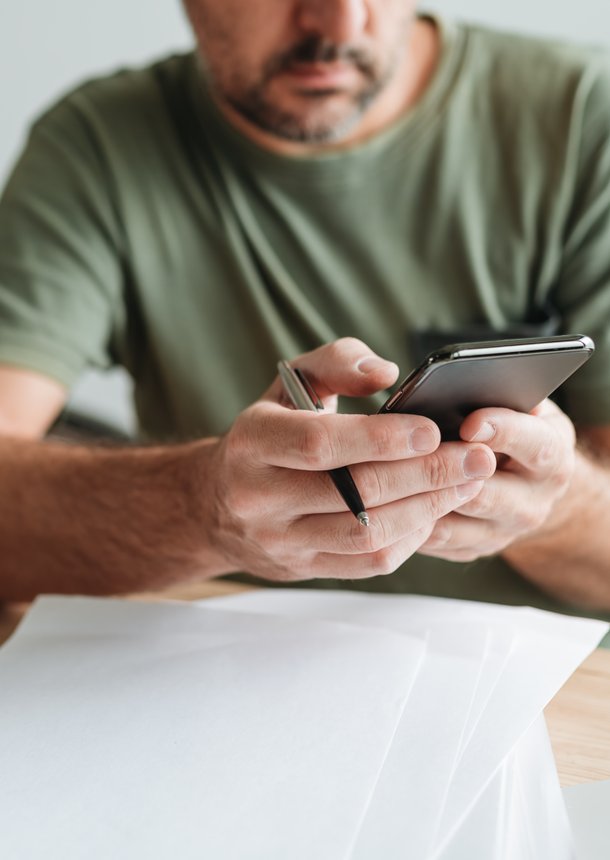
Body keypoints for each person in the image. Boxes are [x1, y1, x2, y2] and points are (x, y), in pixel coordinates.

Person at [1, 1, 610, 621]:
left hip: (559, 693)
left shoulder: (585, 118)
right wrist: (200, 509)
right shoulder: (98, 147)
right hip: (234, 670)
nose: (340, 25)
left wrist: (556, 511)